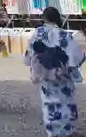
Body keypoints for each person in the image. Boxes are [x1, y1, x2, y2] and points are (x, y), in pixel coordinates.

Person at [24, 7, 85, 137]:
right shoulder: (64, 34)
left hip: (45, 75)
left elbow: (30, 54)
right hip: (62, 75)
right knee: (65, 101)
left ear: (44, 17)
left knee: (49, 102)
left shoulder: (37, 33)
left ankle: (52, 131)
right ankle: (67, 130)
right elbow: (76, 56)